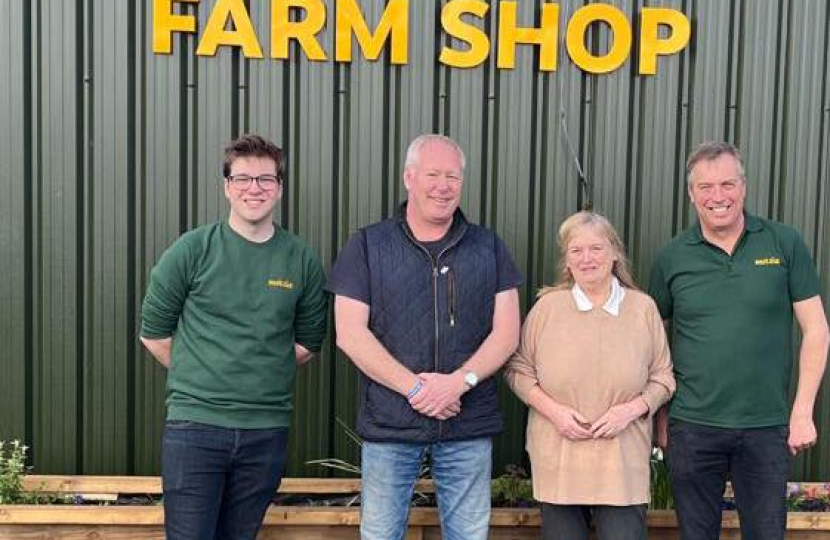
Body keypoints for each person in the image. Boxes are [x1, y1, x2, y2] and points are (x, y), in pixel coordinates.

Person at [326, 134, 522, 540]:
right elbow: (349, 333)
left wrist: (459, 383)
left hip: (467, 421)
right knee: (380, 534)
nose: (443, 185)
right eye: (433, 174)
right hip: (391, 423)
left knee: (469, 535)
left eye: (453, 175)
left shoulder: (489, 247)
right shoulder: (367, 245)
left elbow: (507, 332)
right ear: (408, 177)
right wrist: (416, 389)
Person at [139, 134, 328, 540]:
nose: (253, 189)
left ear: (279, 187)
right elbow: (154, 333)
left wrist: (257, 372)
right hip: (195, 429)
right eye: (242, 179)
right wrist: (206, 372)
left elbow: (309, 342)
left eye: (265, 179)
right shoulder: (192, 250)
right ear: (226, 186)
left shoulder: (300, 258)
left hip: (266, 431)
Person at [648, 141, 830, 540]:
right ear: (692, 194)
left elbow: (816, 330)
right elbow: (653, 345)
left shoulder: (784, 243)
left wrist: (801, 412)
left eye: (727, 184)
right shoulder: (672, 258)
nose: (718, 197)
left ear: (743, 187)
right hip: (692, 427)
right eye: (706, 187)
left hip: (765, 426)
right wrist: (662, 419)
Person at [505, 211, 675, 540]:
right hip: (560, 458)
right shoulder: (547, 309)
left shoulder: (643, 309)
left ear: (614, 253)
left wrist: (630, 410)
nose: (587, 259)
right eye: (576, 251)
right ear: (566, 261)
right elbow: (518, 369)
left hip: (621, 461)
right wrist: (555, 413)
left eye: (596, 248)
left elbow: (663, 377)